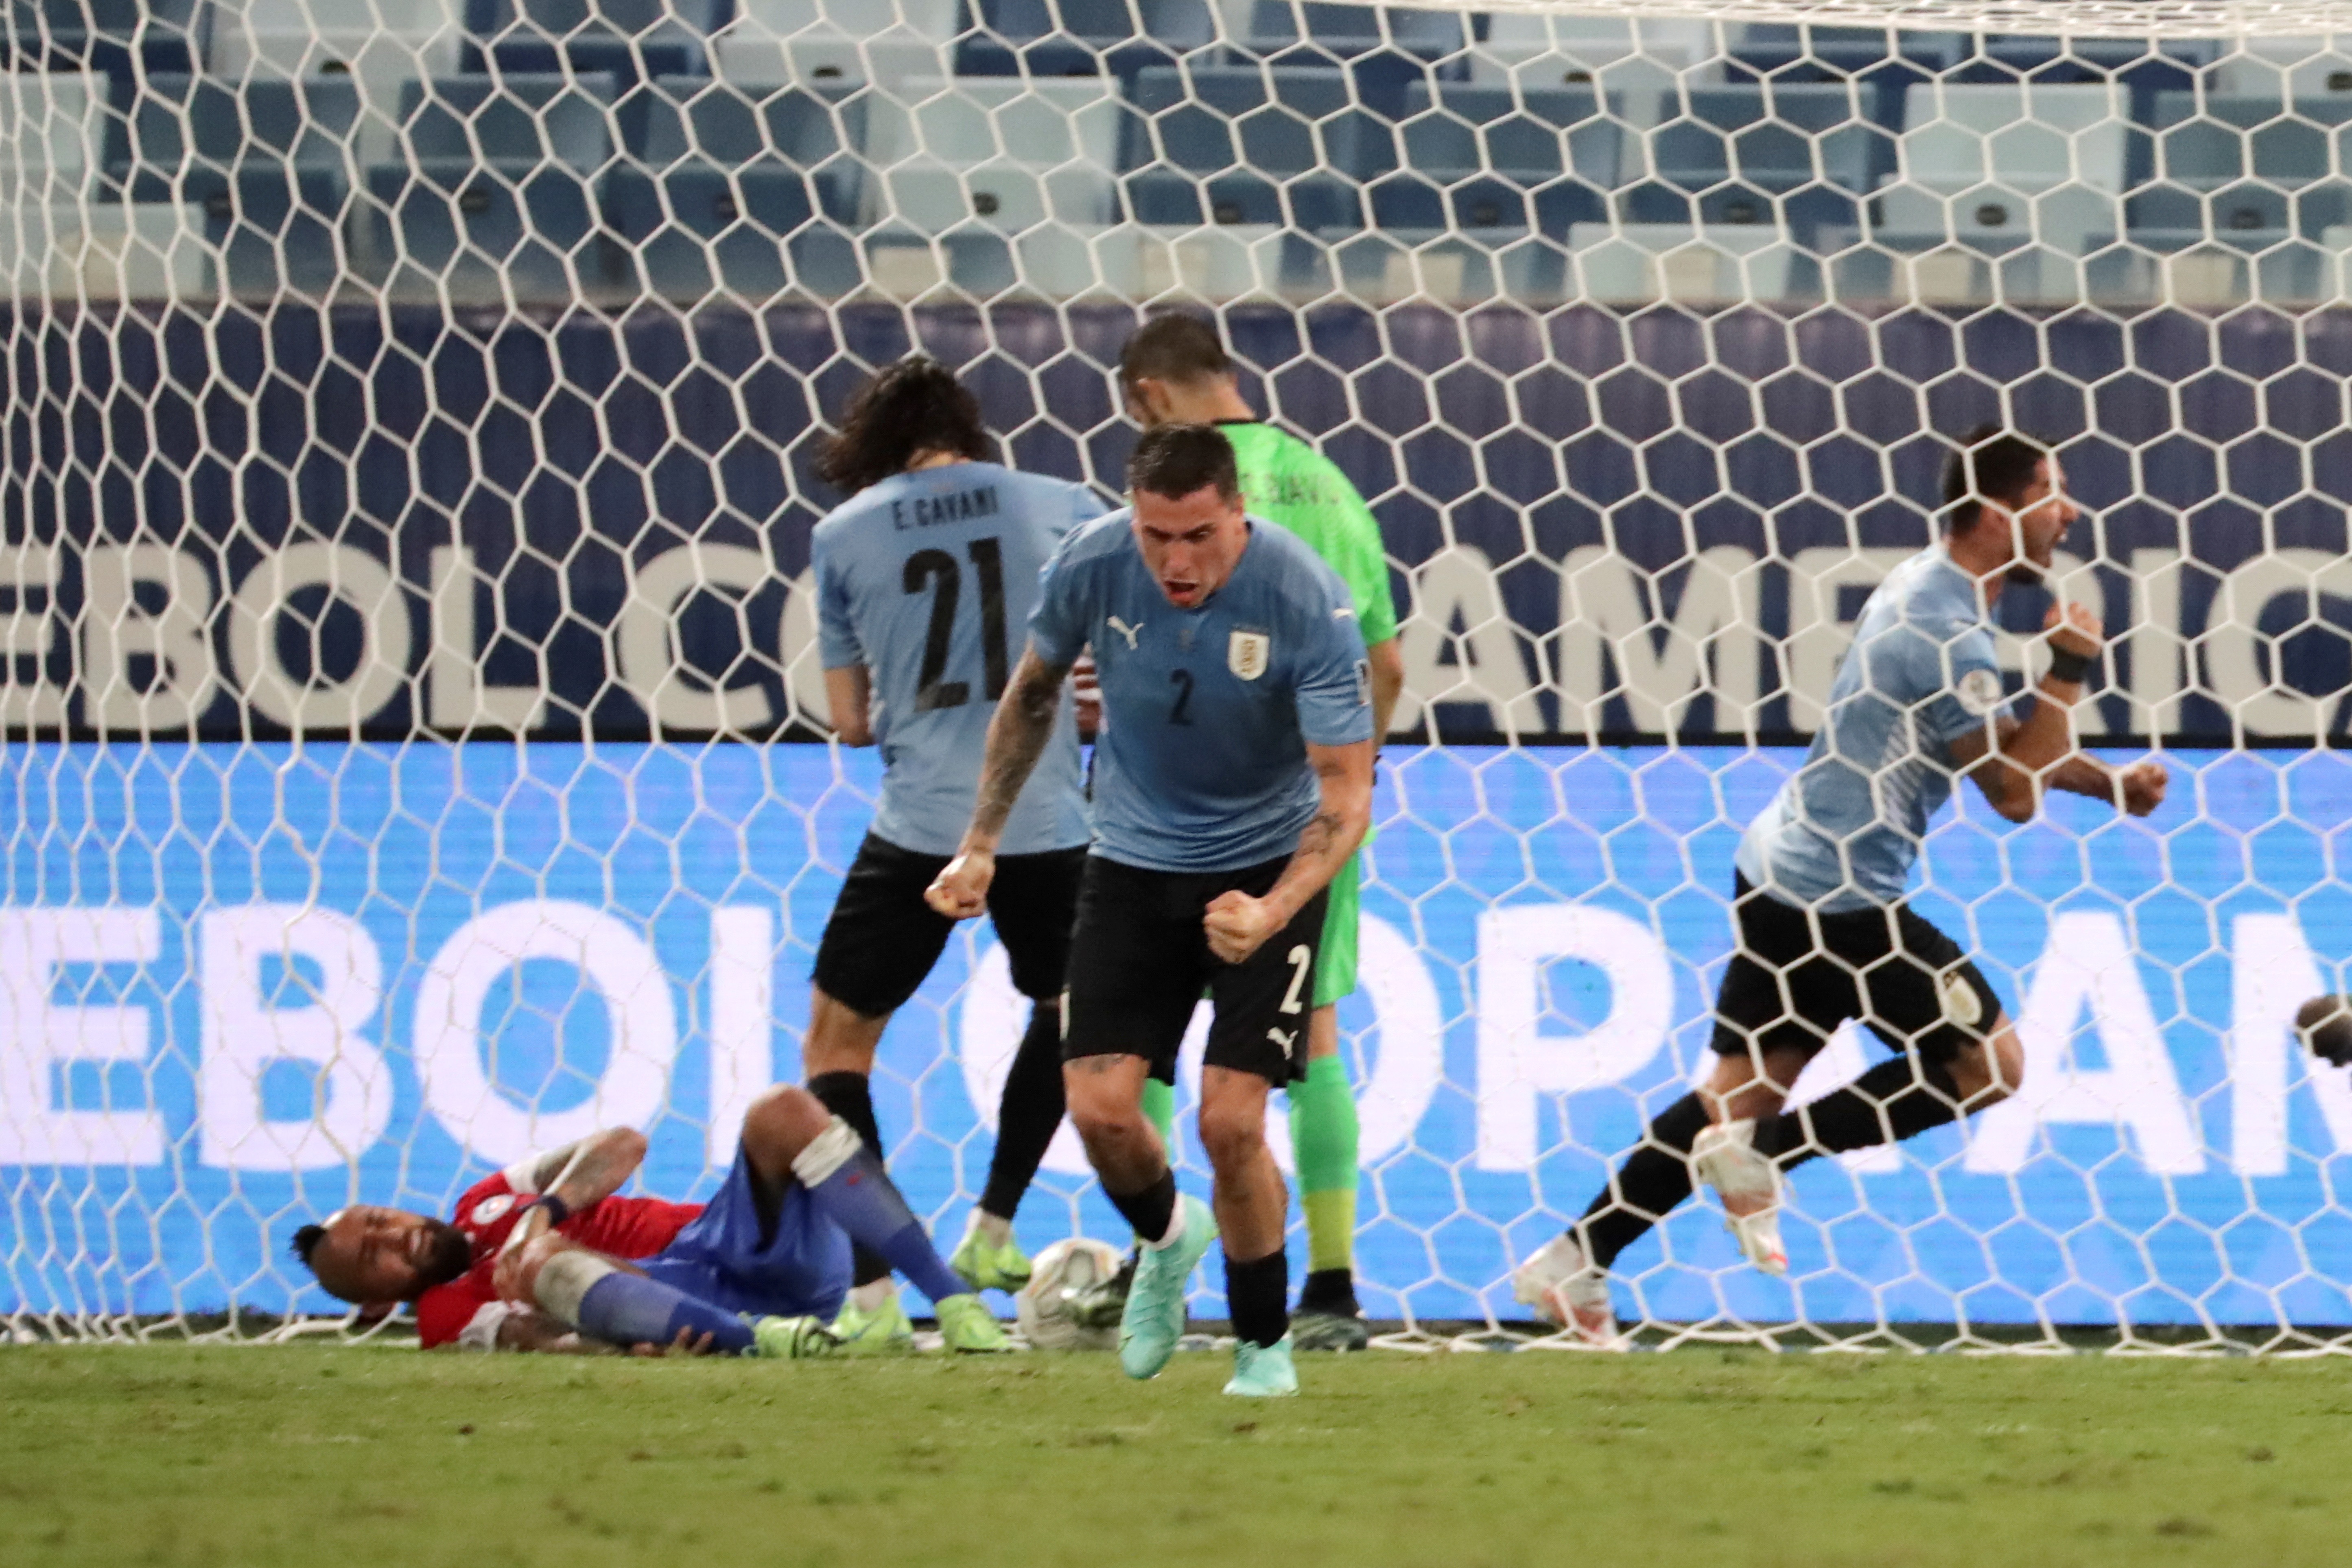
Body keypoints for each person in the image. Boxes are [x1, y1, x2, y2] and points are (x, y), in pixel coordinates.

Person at [1511, 427, 2169, 1346]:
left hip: (1780, 870)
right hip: (1844, 899)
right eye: (2051, 493)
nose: (2070, 511)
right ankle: (1762, 1160)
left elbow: (1998, 750)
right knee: (1990, 1068)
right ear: (1996, 512)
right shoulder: (1946, 632)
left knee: (1733, 1096)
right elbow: (2012, 794)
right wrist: (2067, 667)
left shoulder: (1934, 593)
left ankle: (1573, 1261)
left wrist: (2108, 786)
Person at [927, 423, 1376, 1398]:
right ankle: (1170, 1243)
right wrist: (981, 842)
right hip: (1129, 860)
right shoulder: (1092, 564)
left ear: (1236, 515)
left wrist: (1273, 908)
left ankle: (1261, 1347)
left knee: (1228, 1123)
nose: (1176, 560)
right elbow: (1032, 693)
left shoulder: (1304, 597)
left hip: (1265, 870)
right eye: (1156, 534)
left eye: (1199, 536)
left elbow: (1345, 793)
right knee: (1099, 1111)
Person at [1070, 312, 1400, 1352]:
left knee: (1155, 1040)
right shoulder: (1332, 486)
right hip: (1310, 812)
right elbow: (1382, 665)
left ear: (1146, 398)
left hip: (1168, 818)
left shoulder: (1170, 500)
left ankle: (1149, 1255)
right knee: (1313, 1035)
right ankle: (1333, 1290)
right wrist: (1345, 771)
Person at [804, 354, 1105, 1351]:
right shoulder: (1061, 501)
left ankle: (875, 1296)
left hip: (922, 824)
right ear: (970, 432)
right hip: (1050, 816)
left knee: (836, 1052)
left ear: (876, 449)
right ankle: (993, 1228)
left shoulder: (841, 533)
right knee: (1065, 1014)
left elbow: (848, 721)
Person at [293, 1082, 1008, 1354]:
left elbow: (622, 1144)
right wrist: (620, 1342)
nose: (395, 1235)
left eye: (380, 1218)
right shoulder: (444, 1312)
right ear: (380, 1301)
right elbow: (535, 1337)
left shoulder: (485, 1202)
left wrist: (543, 1210)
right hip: (690, 1310)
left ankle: (953, 1300)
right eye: (372, 1257)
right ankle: (772, 1343)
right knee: (544, 1268)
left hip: (738, 1243)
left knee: (783, 1112)